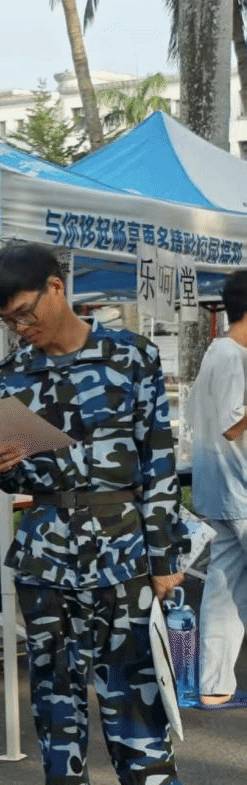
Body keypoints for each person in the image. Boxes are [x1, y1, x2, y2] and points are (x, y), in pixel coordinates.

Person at [0, 243, 187, 785]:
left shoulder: (131, 356)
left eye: (25, 313)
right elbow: (9, 479)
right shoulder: (4, 379)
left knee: (136, 701)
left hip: (124, 555)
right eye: (8, 321)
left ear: (56, 287)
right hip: (46, 559)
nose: (20, 328)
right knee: (56, 706)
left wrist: (164, 558)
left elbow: (158, 463)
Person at [187, 270, 247, 709]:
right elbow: (232, 424)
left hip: (220, 491)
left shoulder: (216, 352)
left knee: (224, 590)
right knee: (224, 589)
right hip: (240, 490)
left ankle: (214, 685)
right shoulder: (231, 356)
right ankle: (213, 683)